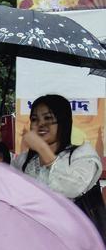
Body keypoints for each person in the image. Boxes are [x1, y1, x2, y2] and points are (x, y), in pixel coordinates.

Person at [12, 94, 105, 241]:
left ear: (64, 122)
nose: (41, 124)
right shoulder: (24, 161)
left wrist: (43, 149)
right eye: (35, 119)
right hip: (31, 239)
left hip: (73, 242)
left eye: (48, 118)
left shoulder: (82, 154)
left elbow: (71, 188)